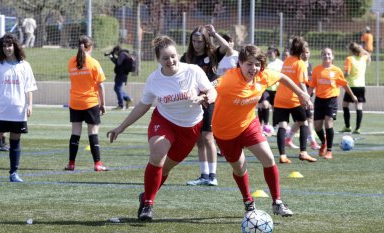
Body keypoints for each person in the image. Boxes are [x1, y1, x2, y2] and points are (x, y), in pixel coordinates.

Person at [107, 36, 216, 221]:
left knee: (164, 169)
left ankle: (146, 195)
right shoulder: (154, 79)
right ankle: (148, 205)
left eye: (173, 56)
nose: (170, 61)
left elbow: (212, 91)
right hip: (164, 121)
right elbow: (143, 105)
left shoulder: (192, 71)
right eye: (165, 58)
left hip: (190, 128)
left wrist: (207, 98)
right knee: (157, 154)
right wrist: (121, 127)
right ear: (159, 59)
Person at [212, 45, 312, 217]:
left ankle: (277, 202)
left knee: (268, 158)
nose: (254, 68)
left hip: (249, 125)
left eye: (257, 64)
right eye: (249, 64)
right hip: (225, 132)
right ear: (240, 64)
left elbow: (282, 77)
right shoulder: (228, 79)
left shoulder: (263, 76)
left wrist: (302, 94)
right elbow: (211, 86)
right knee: (240, 168)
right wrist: (203, 95)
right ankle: (248, 201)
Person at [0, 33, 37, 182]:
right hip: (1, 110)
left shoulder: (25, 65)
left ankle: (14, 173)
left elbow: (28, 88)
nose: (7, 48)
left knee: (15, 141)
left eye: (9, 45)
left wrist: (29, 105)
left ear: (15, 46)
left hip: (18, 110)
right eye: (4, 46)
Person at [181, 24, 230, 186]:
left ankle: (213, 176)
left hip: (209, 100)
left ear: (205, 41)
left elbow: (226, 47)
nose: (196, 44)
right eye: (194, 41)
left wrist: (215, 33)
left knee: (208, 137)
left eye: (200, 41)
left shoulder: (213, 54)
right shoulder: (186, 58)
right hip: (194, 102)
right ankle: (204, 175)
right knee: (199, 140)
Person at [64, 35, 108, 172]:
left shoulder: (71, 62)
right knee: (93, 132)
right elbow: (100, 85)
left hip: (75, 102)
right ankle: (98, 163)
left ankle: (71, 163)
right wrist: (103, 104)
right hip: (90, 102)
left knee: (75, 132)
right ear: (91, 47)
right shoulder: (93, 63)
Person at [273, 36, 317, 164]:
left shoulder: (287, 61)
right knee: (304, 123)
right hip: (293, 99)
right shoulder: (300, 63)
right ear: (302, 49)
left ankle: (282, 155)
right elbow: (302, 83)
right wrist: (307, 99)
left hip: (280, 98)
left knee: (282, 126)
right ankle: (303, 152)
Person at [309, 48, 358, 160]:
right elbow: (312, 86)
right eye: (324, 54)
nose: (327, 56)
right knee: (317, 127)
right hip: (319, 100)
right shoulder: (317, 70)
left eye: (329, 54)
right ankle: (323, 142)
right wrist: (306, 98)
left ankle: (329, 151)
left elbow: (344, 85)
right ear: (322, 56)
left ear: (332, 57)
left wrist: (352, 96)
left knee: (328, 123)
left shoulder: (337, 70)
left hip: (331, 100)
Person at [285, 46, 320, 150]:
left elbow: (310, 81)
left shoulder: (309, 65)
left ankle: (288, 139)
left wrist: (312, 89)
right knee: (308, 119)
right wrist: (305, 96)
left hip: (307, 95)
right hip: (301, 96)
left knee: (302, 120)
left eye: (307, 52)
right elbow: (300, 82)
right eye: (303, 52)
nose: (305, 54)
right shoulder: (298, 64)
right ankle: (312, 142)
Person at [340, 42, 370, 134]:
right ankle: (357, 128)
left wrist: (340, 79)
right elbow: (368, 54)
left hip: (351, 86)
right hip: (361, 86)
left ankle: (348, 126)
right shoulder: (363, 58)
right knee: (359, 107)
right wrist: (362, 49)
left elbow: (347, 73)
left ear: (350, 50)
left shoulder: (349, 59)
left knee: (345, 105)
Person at [258, 45, 283, 136]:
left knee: (276, 108)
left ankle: (275, 126)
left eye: (271, 52)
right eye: (268, 52)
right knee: (264, 104)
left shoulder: (281, 63)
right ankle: (265, 125)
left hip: (277, 89)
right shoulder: (265, 63)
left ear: (276, 53)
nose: (269, 54)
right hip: (266, 88)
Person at [107, 46, 134, 110]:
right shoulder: (125, 54)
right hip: (123, 74)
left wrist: (112, 58)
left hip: (121, 74)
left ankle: (120, 105)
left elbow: (118, 63)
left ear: (117, 50)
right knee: (117, 88)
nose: (115, 54)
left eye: (115, 52)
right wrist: (113, 57)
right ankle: (128, 99)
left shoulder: (122, 54)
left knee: (117, 88)